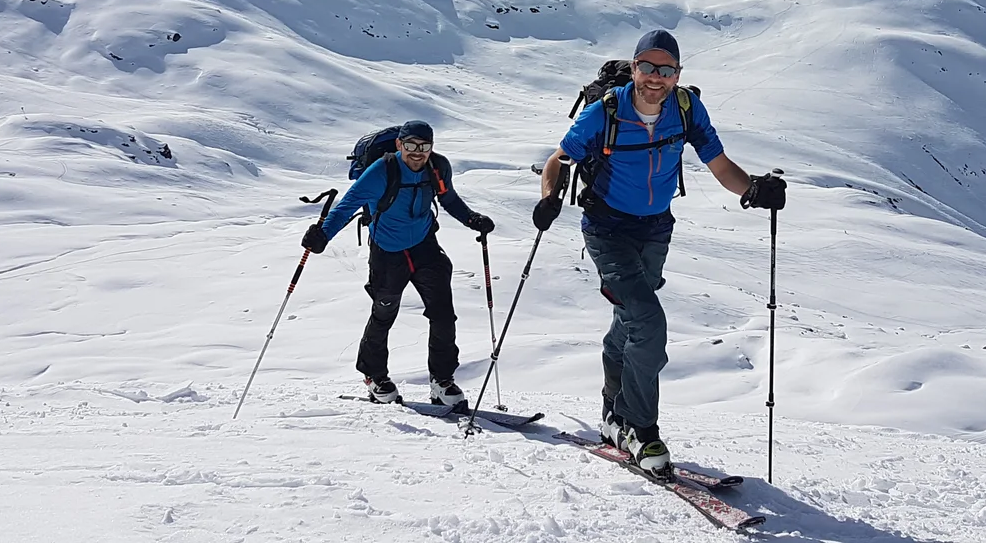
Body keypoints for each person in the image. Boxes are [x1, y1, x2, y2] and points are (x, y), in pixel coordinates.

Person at [533, 30, 785, 480]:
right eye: (647, 67)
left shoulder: (686, 109)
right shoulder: (604, 113)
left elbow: (719, 164)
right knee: (648, 322)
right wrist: (550, 196)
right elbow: (558, 159)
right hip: (607, 228)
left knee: (628, 320)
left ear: (677, 75)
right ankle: (638, 427)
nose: (656, 77)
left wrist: (753, 189)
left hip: (655, 229)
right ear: (633, 69)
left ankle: (612, 415)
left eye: (665, 69)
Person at [302, 120, 495, 409]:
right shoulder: (382, 171)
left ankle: (441, 380)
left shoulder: (438, 168)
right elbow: (348, 204)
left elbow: (448, 199)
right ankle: (373, 375)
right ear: (399, 145)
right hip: (388, 252)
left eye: (424, 146)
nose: (417, 152)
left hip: (425, 246)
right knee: (384, 313)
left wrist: (471, 218)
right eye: (411, 145)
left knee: (443, 313)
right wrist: (323, 235)